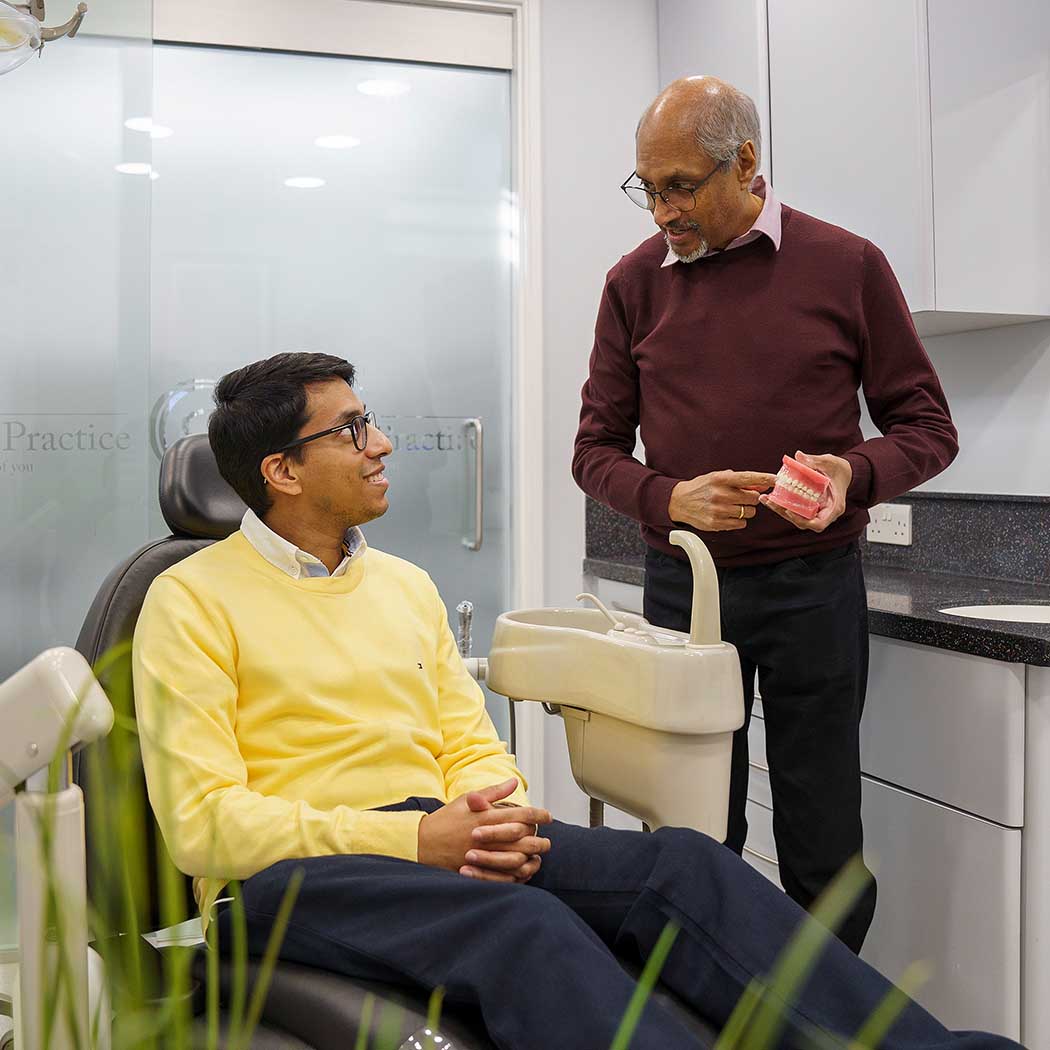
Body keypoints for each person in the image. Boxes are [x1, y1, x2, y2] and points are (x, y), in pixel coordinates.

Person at [132, 354, 1006, 1050]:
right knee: (526, 926)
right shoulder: (190, 600)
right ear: (282, 470)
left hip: (438, 835)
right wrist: (416, 840)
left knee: (686, 865)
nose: (382, 443)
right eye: (352, 429)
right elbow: (203, 826)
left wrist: (496, 819)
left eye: (372, 420)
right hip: (286, 879)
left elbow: (468, 741)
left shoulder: (402, 585)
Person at [572, 76, 959, 954]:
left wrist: (853, 473)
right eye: (647, 187)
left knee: (822, 841)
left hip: (813, 591)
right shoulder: (632, 284)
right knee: (693, 834)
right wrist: (669, 498)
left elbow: (928, 428)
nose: (662, 211)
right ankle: (703, 1007)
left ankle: (821, 1012)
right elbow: (593, 451)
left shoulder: (847, 265)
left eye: (680, 186)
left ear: (745, 162)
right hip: (686, 593)